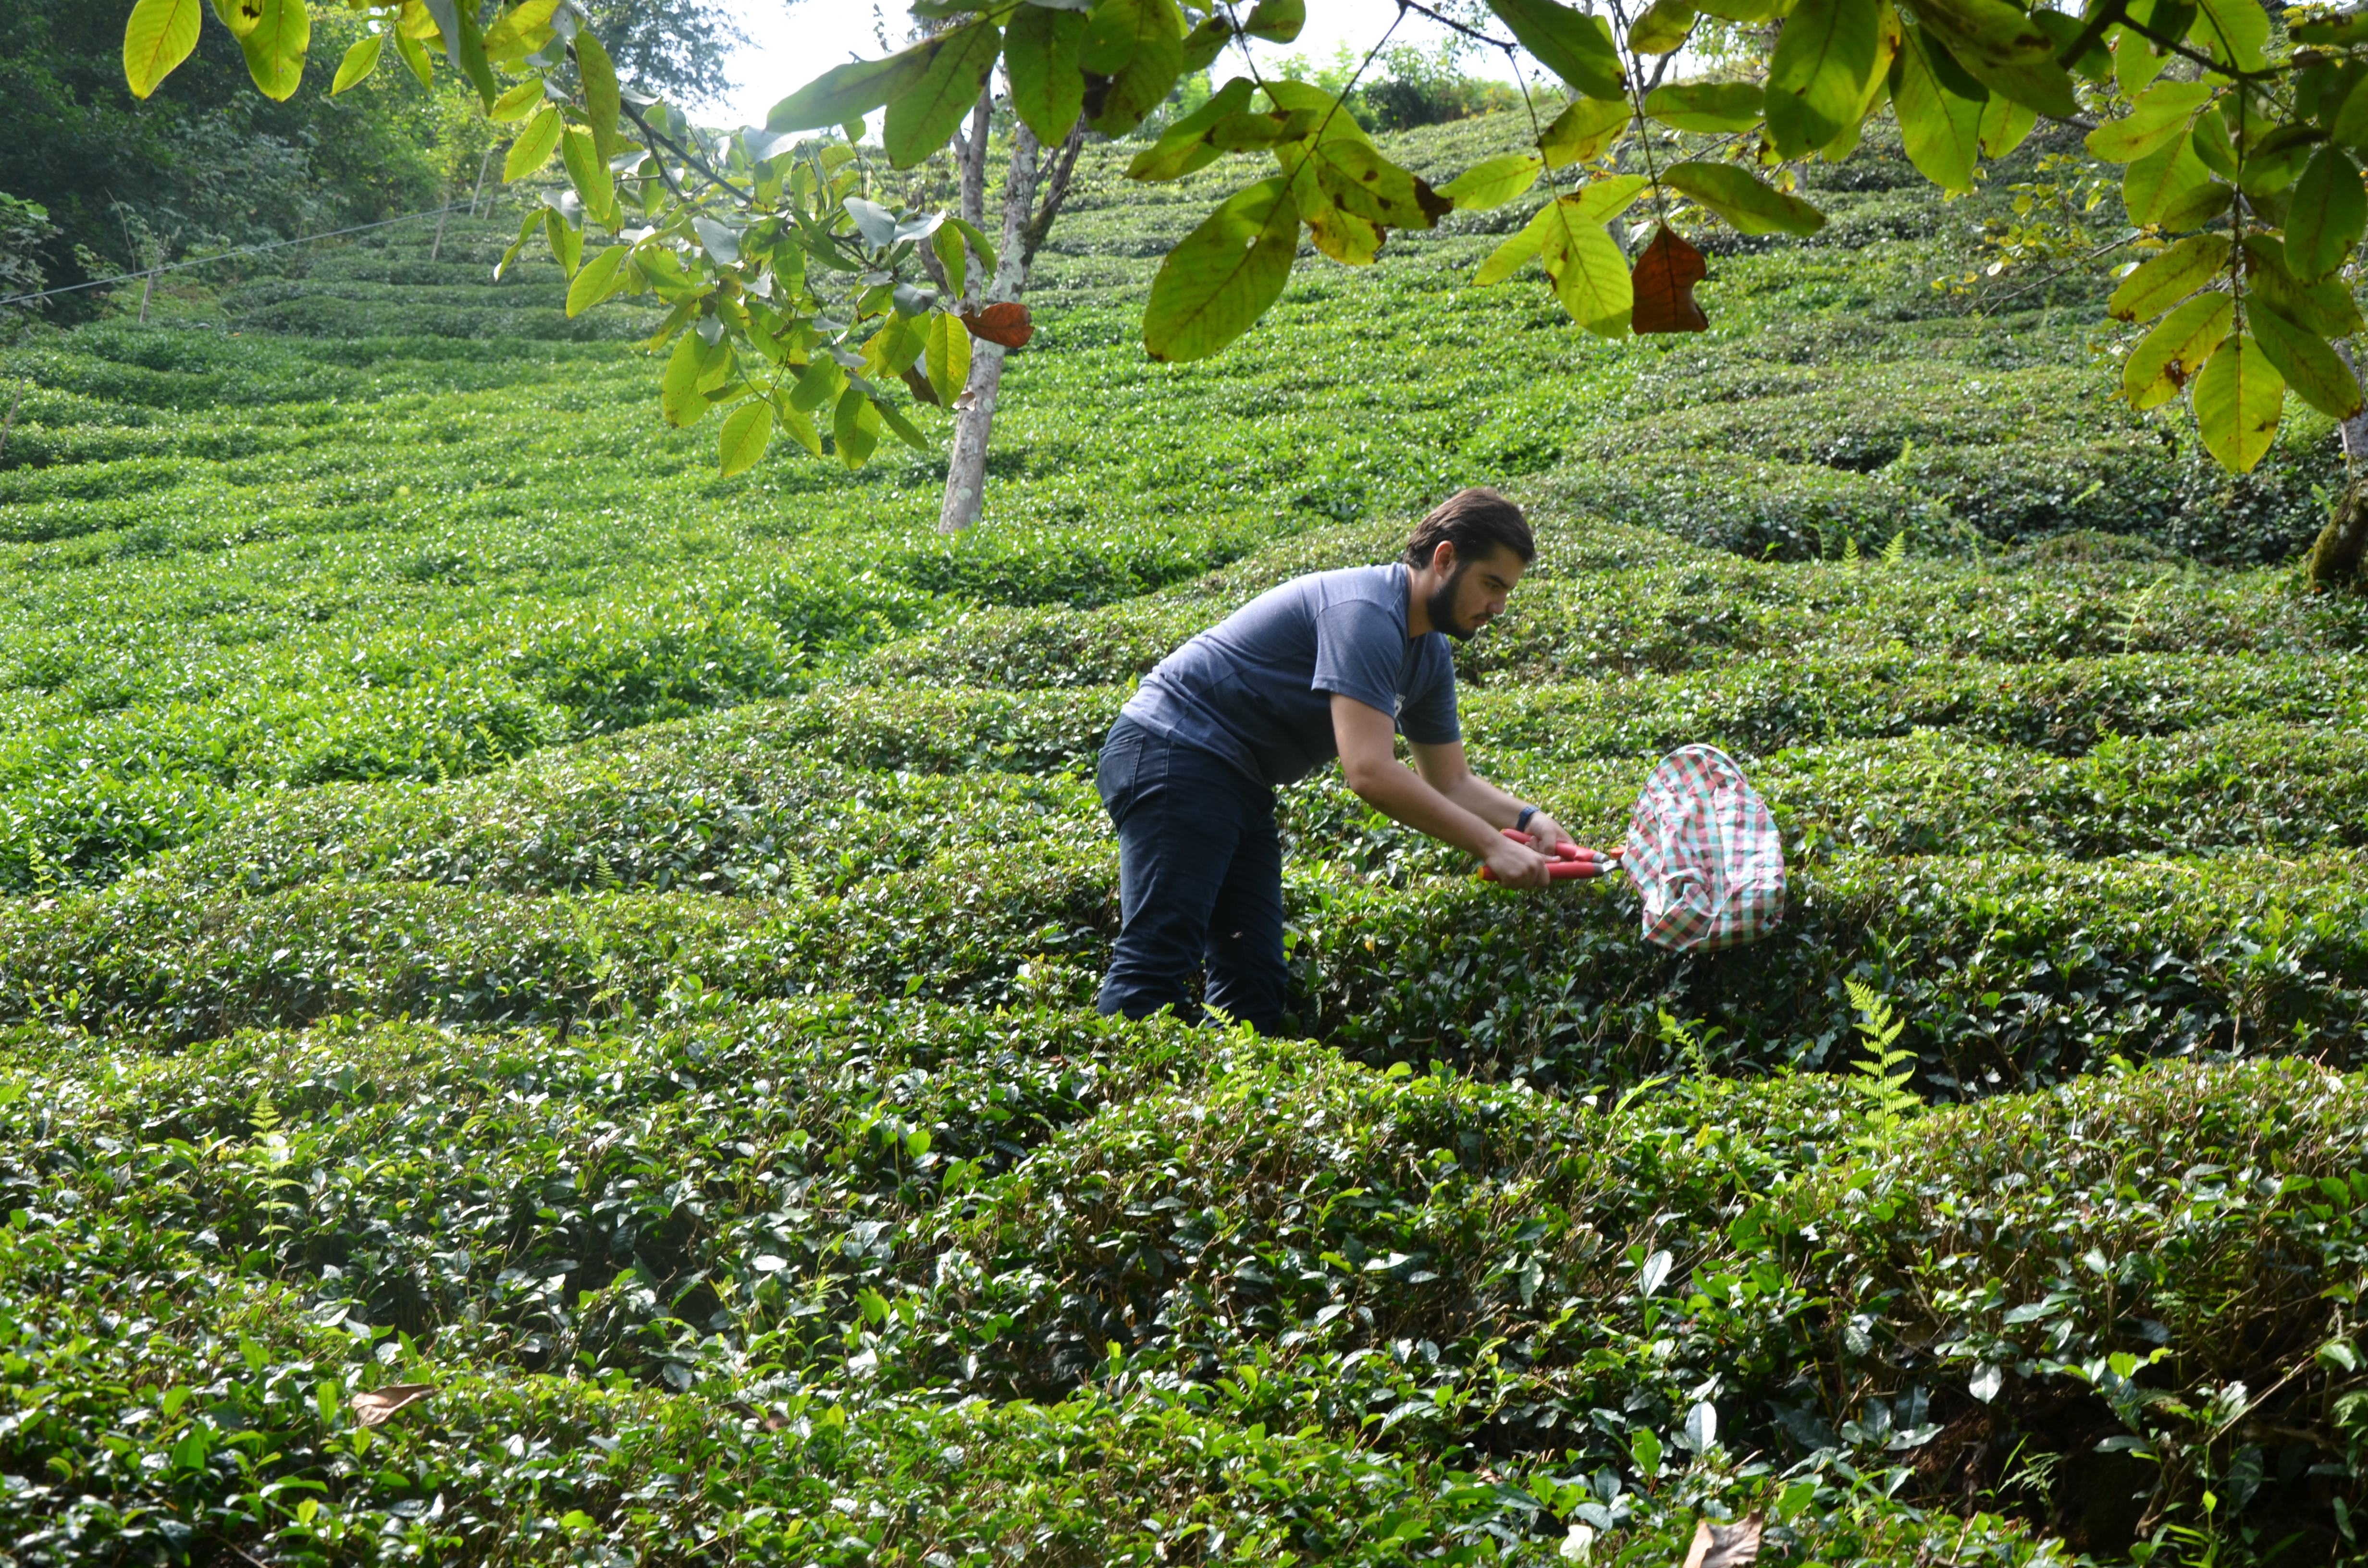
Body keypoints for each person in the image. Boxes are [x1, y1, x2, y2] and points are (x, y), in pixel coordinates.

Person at [1094, 487, 1591, 1035]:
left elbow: (1450, 780)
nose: (1498, 608)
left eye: (1506, 592)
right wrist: (1491, 845)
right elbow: (1369, 772)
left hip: (1238, 779)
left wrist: (1528, 820)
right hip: (1172, 748)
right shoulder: (1367, 613)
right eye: (1491, 585)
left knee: (1253, 980)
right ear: (1445, 559)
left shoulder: (1428, 654)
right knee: (1157, 962)